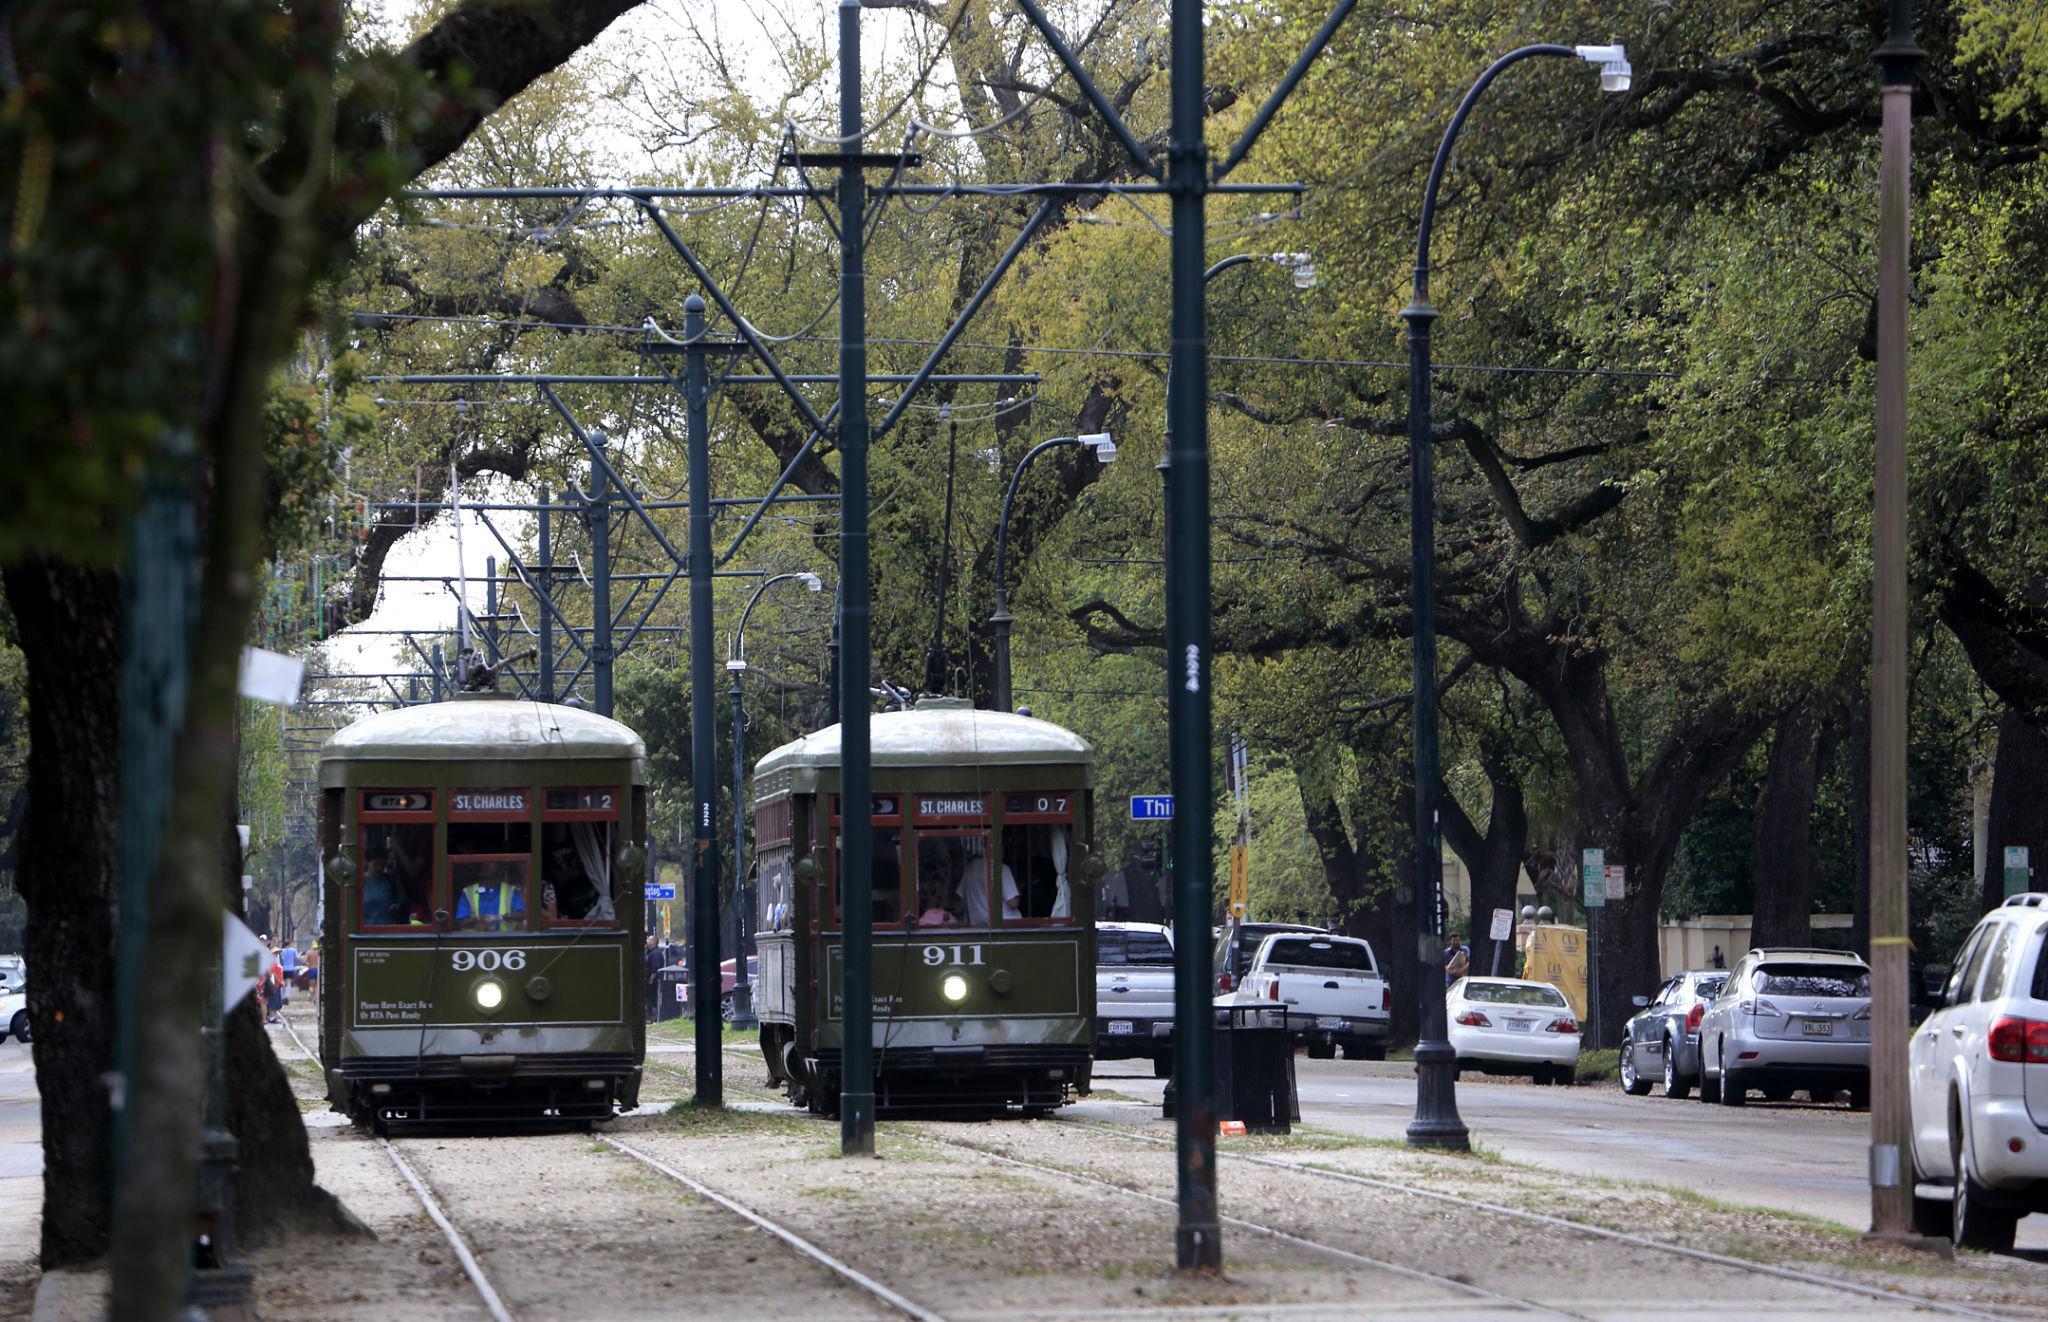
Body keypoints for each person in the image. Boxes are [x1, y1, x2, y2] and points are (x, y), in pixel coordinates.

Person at [454, 866, 525, 931]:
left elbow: (522, 914)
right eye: (484, 863)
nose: (487, 865)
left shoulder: (511, 890)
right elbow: (460, 922)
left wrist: (500, 917)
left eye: (492, 863)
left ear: (500, 869)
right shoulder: (468, 891)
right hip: (475, 939)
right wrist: (479, 919)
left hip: (505, 939)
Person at [362, 856, 403, 926]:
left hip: (389, 927)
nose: (380, 868)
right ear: (367, 863)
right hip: (367, 928)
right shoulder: (360, 882)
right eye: (376, 864)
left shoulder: (390, 880)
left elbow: (400, 901)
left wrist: (397, 907)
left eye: (382, 864)